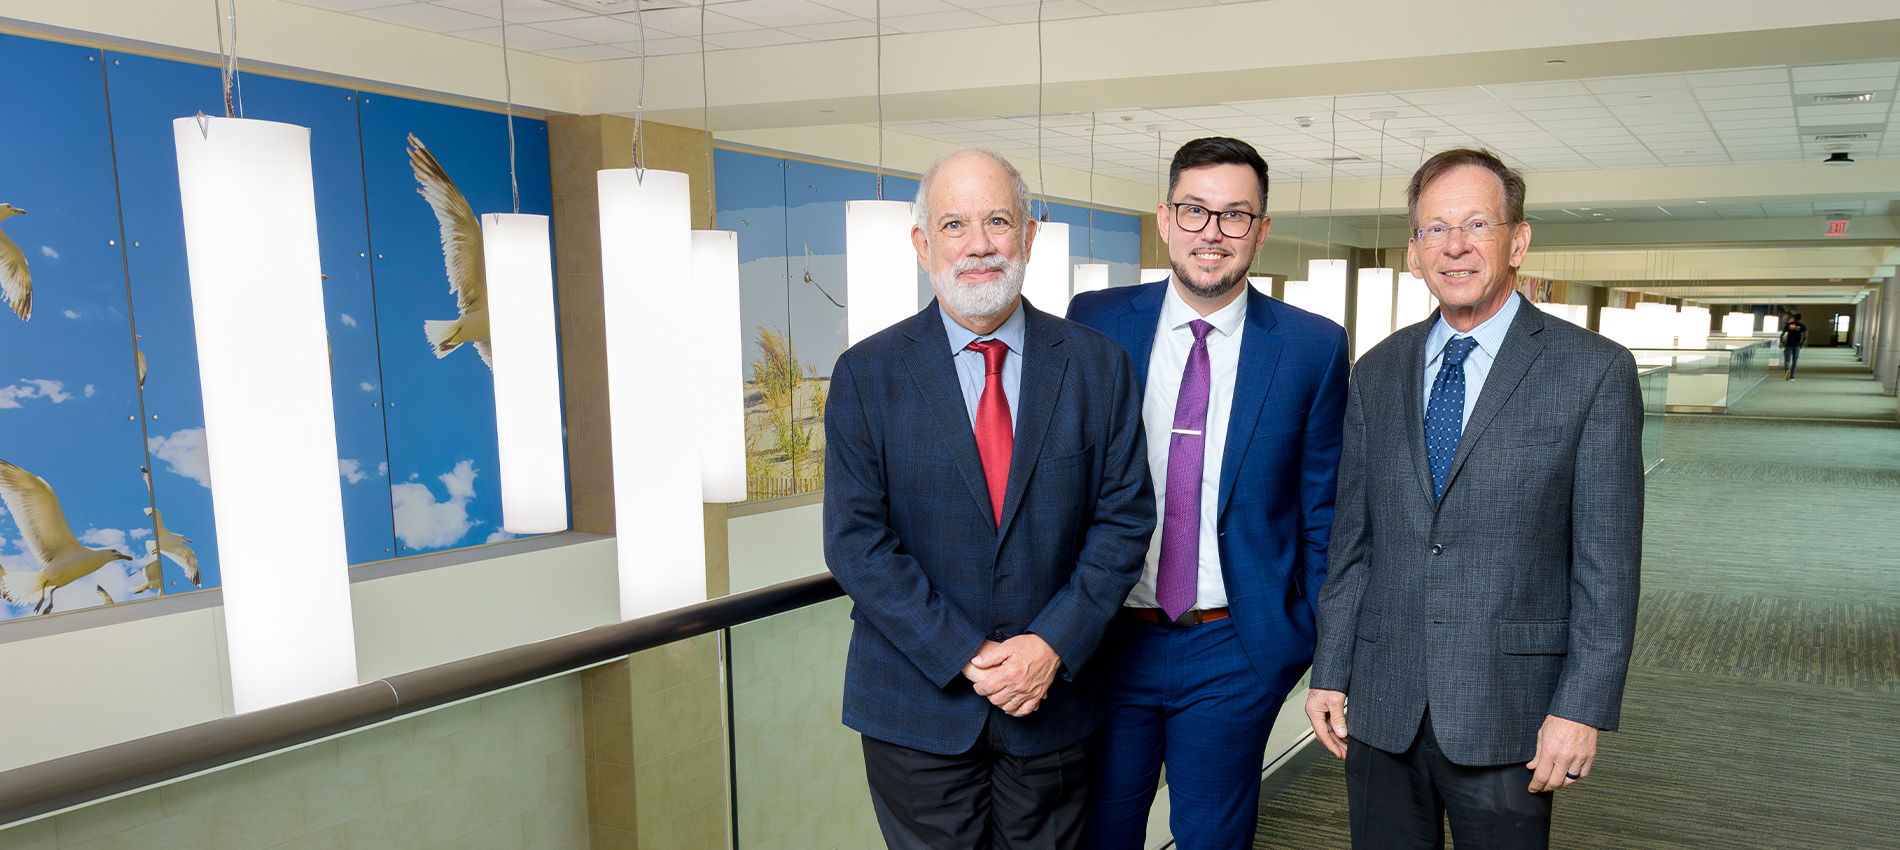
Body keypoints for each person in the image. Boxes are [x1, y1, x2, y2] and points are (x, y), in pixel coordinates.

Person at [1304, 148, 1643, 850]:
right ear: (1413, 252)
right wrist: (1330, 672)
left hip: (1510, 710)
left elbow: (1606, 567)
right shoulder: (1377, 369)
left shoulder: (1593, 372)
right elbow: (1353, 544)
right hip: (1383, 701)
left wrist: (1581, 708)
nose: (1453, 245)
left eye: (1476, 223)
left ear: (1517, 240)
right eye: (1434, 229)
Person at [824, 148, 1155, 850]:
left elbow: (1123, 522)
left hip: (1054, 701)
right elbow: (857, 541)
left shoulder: (1097, 366)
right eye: (953, 224)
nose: (978, 244)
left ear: (1029, 234)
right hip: (916, 706)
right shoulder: (865, 375)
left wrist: (1048, 646)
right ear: (923, 245)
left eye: (998, 221)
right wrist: (968, 653)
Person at [1067, 136, 1348, 850]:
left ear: (1261, 230)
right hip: (1110, 640)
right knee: (1098, 832)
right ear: (1165, 219)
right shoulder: (1094, 321)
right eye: (1195, 211)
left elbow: (1324, 512)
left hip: (1234, 647)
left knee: (1211, 840)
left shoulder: (1312, 346)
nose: (1212, 233)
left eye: (1235, 215)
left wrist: (1296, 642)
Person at [1780, 312, 1807, 379]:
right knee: (1794, 361)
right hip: (1797, 345)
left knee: (1787, 361)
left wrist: (1781, 342)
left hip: (1788, 344)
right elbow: (1805, 336)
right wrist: (1801, 344)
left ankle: (1787, 373)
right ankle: (1792, 375)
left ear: (1794, 318)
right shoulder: (1802, 326)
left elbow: (1782, 335)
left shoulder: (1789, 325)